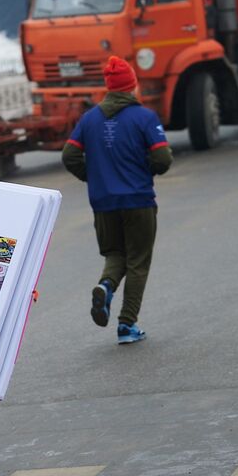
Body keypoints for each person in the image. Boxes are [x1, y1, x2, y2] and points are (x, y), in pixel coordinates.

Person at [62, 56, 172, 344]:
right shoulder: (144, 118)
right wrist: (147, 169)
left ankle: (106, 285)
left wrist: (93, 176)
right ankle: (126, 325)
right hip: (138, 199)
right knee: (137, 261)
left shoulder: (89, 120)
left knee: (115, 254)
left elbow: (69, 155)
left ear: (109, 88)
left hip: (103, 202)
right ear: (132, 86)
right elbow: (162, 158)